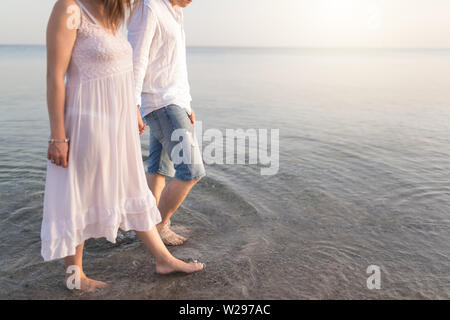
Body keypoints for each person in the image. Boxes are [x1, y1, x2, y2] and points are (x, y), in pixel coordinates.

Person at [42, 0, 204, 293]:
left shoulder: (115, 16)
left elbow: (122, 71)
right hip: (84, 120)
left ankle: (163, 259)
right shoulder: (69, 8)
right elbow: (55, 76)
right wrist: (58, 136)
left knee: (133, 188)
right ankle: (74, 275)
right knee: (77, 190)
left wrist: (131, 110)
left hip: (117, 123)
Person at [128, 0, 205, 247]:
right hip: (160, 102)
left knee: (160, 167)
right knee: (191, 170)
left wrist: (187, 102)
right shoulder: (149, 7)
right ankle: (157, 228)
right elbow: (137, 58)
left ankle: (152, 221)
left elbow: (176, 64)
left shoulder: (175, 12)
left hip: (174, 101)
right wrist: (132, 105)